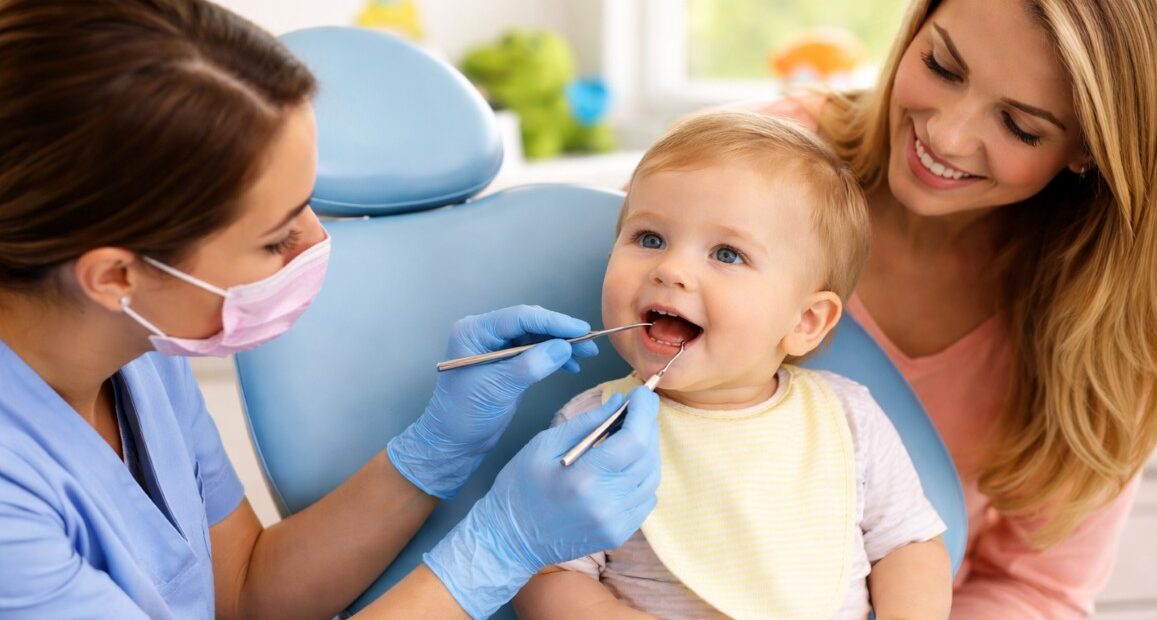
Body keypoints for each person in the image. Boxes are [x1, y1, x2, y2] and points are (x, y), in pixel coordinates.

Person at [0, 1, 661, 618]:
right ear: (116, 275)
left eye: (310, 202)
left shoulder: (137, 350)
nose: (319, 242)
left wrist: (437, 448)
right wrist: (497, 550)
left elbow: (240, 589)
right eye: (275, 236)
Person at [752, 0, 1157, 616]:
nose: (946, 135)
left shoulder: (1106, 330)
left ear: (1093, 149)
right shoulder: (763, 163)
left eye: (1021, 127)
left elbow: (1035, 588)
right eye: (942, 65)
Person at [514, 111, 952, 620]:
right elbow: (549, 575)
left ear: (807, 320)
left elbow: (909, 545)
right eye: (650, 238)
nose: (671, 270)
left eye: (726, 254)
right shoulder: (593, 430)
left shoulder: (847, 418)